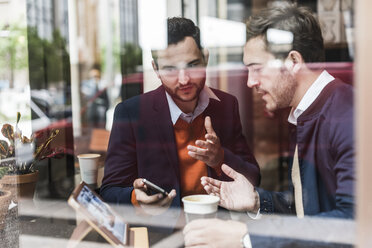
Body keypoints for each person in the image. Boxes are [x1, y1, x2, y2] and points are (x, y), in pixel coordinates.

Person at [184, 2, 354, 247]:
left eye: (257, 69)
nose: (251, 82)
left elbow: (353, 224)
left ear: (293, 61)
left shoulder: (347, 117)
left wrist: (247, 239)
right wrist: (256, 200)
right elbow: (305, 210)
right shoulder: (308, 113)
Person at [100, 17, 260, 213]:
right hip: (163, 234)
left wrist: (220, 158)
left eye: (192, 65)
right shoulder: (132, 114)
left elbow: (253, 176)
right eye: (170, 69)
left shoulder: (226, 105)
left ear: (206, 59)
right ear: (156, 69)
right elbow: (109, 191)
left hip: (218, 227)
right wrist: (135, 197)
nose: (184, 79)